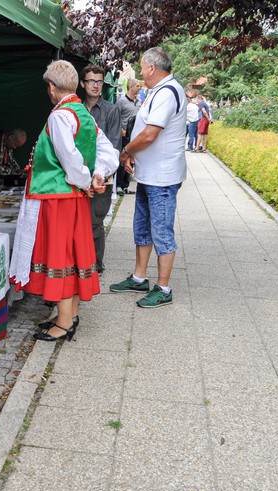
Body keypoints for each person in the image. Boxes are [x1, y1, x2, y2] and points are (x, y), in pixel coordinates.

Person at [8, 60, 119, 341]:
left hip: (58, 199)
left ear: (51, 87)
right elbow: (108, 151)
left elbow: (70, 161)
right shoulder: (83, 113)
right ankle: (68, 315)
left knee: (59, 257)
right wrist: (98, 176)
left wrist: (85, 179)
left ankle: (65, 323)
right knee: (73, 256)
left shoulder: (59, 116)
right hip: (76, 199)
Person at [111, 47, 187, 308]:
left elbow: (150, 134)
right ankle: (139, 277)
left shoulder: (167, 92)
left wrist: (126, 151)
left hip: (162, 177)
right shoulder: (158, 90)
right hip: (150, 174)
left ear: (153, 68)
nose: (141, 71)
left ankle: (163, 288)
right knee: (142, 229)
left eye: (142, 67)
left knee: (162, 232)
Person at [81, 64, 122, 276]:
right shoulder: (75, 109)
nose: (96, 86)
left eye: (99, 82)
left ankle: (96, 265)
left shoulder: (112, 110)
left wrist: (100, 173)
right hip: (76, 178)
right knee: (78, 224)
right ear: (82, 83)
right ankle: (80, 264)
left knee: (95, 223)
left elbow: (114, 147)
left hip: (102, 178)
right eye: (91, 81)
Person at [115, 78, 141, 194]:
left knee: (131, 160)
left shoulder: (138, 101)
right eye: (137, 86)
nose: (139, 88)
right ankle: (118, 185)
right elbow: (115, 116)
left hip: (135, 136)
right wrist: (121, 130)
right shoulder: (121, 101)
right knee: (123, 159)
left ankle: (126, 184)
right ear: (131, 87)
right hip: (125, 135)